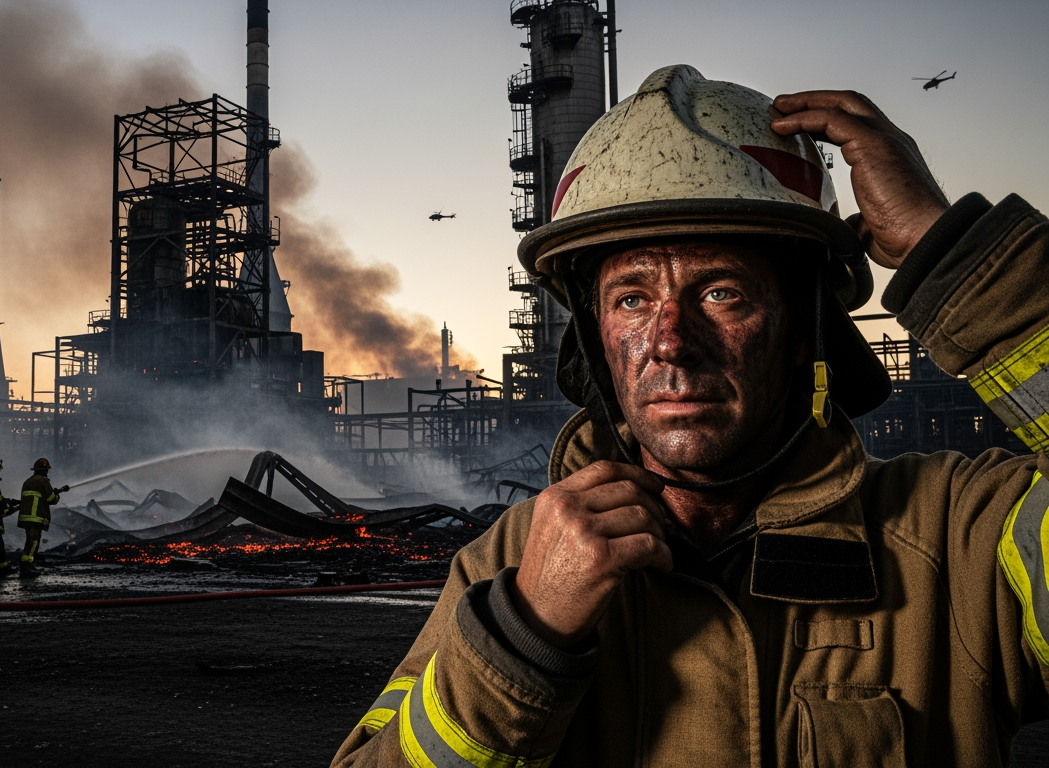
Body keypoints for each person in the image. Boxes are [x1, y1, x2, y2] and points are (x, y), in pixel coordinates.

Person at [331, 64, 1049, 767]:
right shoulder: (513, 564)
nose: (671, 341)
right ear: (596, 340)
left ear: (805, 328)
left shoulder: (961, 540)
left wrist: (953, 252)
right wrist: (526, 639)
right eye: (633, 299)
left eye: (722, 293)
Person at [18, 457, 68, 578]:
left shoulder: (28, 481)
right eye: (46, 470)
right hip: (35, 517)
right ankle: (26, 565)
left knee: (30, 541)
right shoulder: (43, 481)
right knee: (34, 541)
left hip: (26, 517)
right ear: (44, 470)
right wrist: (56, 495)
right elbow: (51, 499)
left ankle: (28, 564)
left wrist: (53, 491)